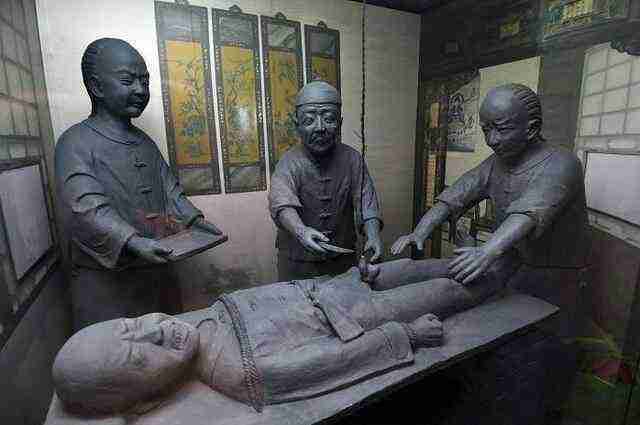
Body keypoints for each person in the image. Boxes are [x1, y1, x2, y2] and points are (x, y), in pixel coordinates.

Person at [51, 257, 507, 417]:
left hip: (343, 285)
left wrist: (340, 277)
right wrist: (406, 334)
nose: (156, 331)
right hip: (364, 317)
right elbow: (334, 363)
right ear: (145, 402)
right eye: (140, 357)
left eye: (133, 326)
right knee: (450, 291)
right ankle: (505, 276)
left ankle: (496, 255)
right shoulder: (243, 373)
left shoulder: (210, 313)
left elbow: (282, 290)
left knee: (420, 266)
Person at [391, 83, 590, 420]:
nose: (492, 139)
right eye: (486, 130)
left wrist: (486, 253)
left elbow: (527, 213)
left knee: (543, 363)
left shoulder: (562, 164)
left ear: (532, 128)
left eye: (501, 129)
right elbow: (456, 195)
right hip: (514, 270)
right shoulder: (496, 163)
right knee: (503, 357)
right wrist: (420, 231)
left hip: (558, 281)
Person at [55, 38, 222, 330]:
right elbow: (84, 209)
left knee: (169, 346)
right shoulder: (74, 143)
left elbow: (171, 192)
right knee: (116, 351)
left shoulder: (145, 142)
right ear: (96, 86)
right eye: (127, 80)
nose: (140, 90)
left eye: (144, 81)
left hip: (158, 273)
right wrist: (131, 241)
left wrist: (195, 221)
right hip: (107, 284)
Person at [268, 81, 383, 281]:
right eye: (309, 120)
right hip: (298, 263)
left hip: (342, 261)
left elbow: (367, 202)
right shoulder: (289, 162)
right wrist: (301, 231)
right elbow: (281, 203)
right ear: (297, 125)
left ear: (340, 122)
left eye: (329, 119)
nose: (320, 128)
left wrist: (373, 235)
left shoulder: (352, 159)